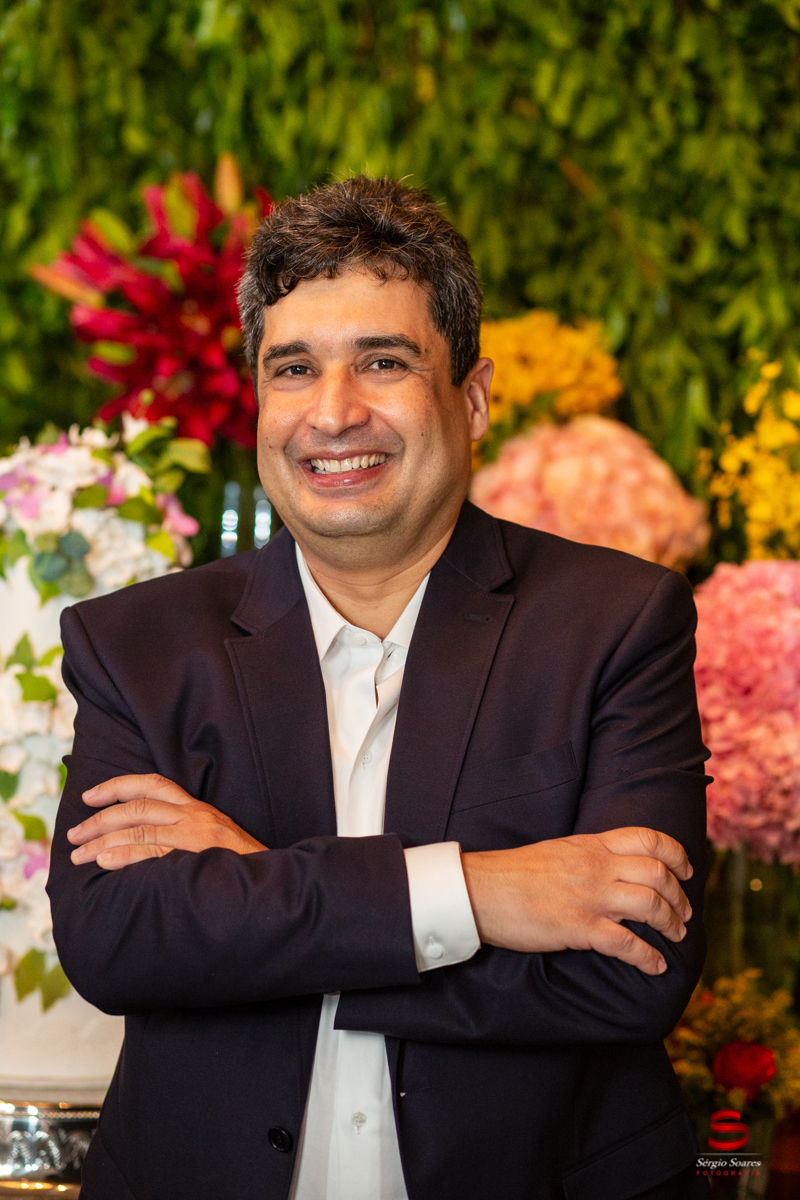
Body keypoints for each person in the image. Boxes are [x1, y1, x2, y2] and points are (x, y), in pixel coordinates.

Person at [48, 176, 710, 1200]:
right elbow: (121, 944)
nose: (332, 413)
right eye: (294, 369)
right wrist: (476, 894)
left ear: (473, 398)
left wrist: (254, 887)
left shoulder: (616, 622)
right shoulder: (137, 644)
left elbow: (629, 977)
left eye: (383, 362)